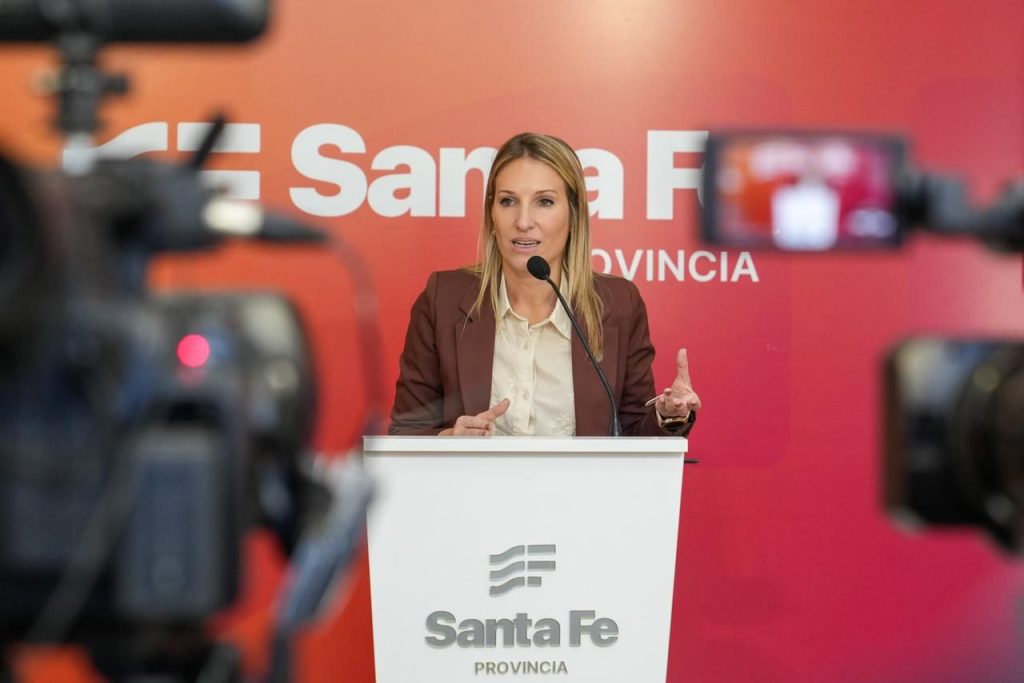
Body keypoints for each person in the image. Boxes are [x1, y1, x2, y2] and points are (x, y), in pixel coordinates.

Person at [388, 132, 700, 437]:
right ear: (492, 213)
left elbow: (631, 435)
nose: (523, 221)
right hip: (470, 476)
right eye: (508, 201)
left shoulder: (619, 304)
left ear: (574, 214)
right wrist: (449, 442)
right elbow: (405, 433)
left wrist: (668, 418)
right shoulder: (443, 298)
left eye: (544, 202)